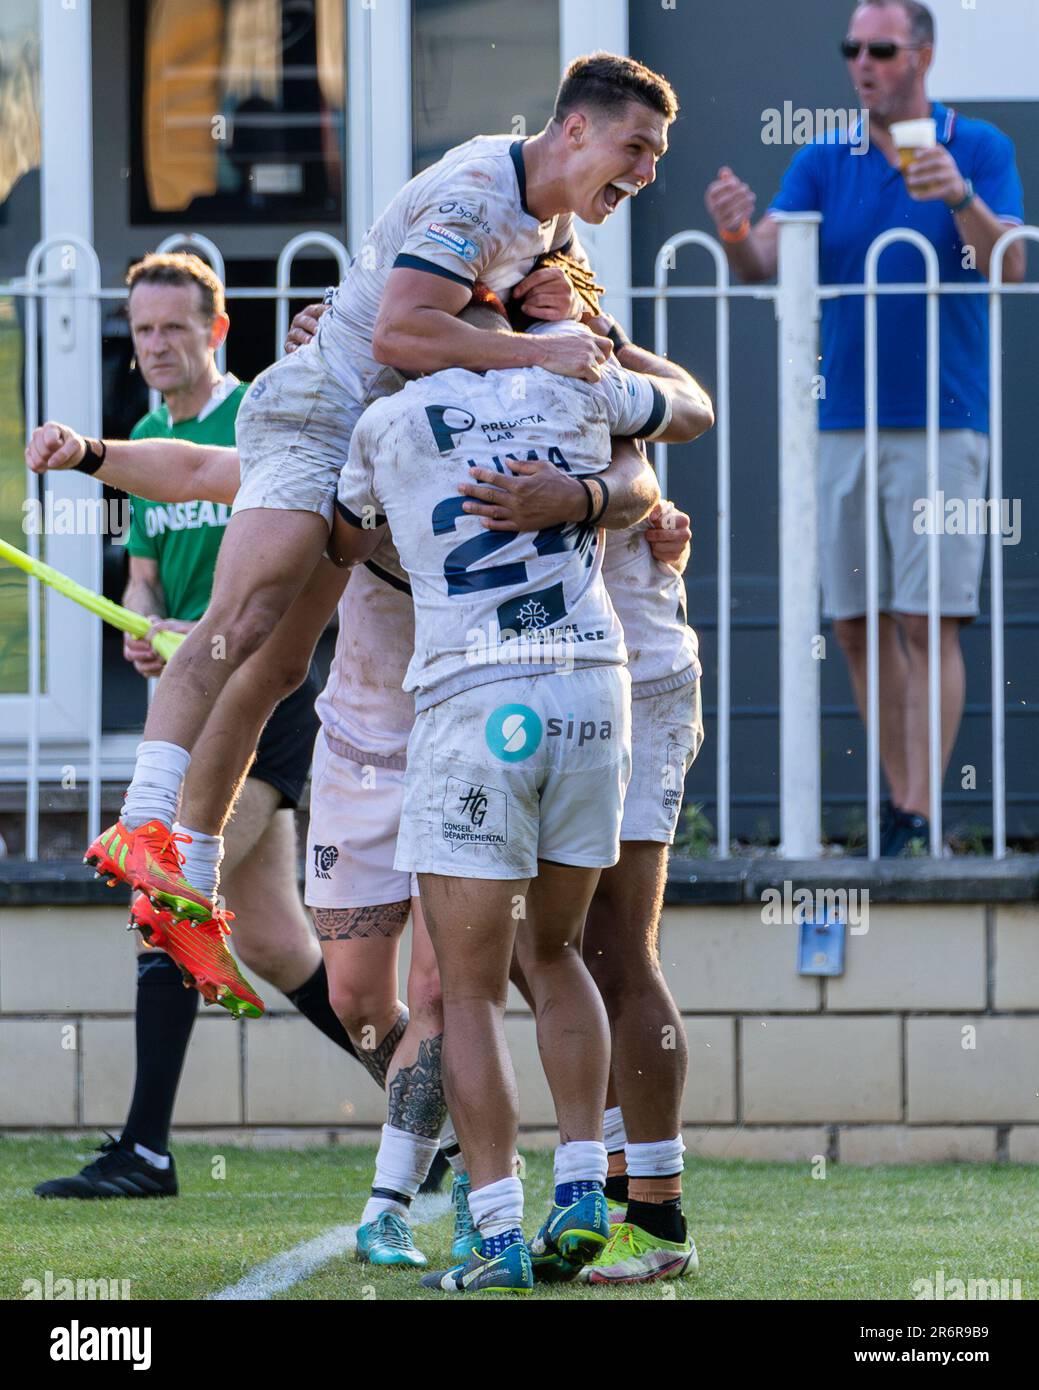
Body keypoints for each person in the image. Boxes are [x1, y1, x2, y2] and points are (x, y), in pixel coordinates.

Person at [81, 53, 679, 938]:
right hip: (315, 416)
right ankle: (142, 823)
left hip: (365, 439)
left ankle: (192, 875)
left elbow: (588, 333)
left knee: (280, 665)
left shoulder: (548, 221)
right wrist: (532, 352)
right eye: (637, 148)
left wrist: (569, 332)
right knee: (240, 621)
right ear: (575, 129)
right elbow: (402, 331)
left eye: (658, 157)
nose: (646, 173)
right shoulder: (480, 192)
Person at [330, 295, 709, 1294]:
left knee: (467, 991)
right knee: (559, 953)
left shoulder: (381, 419)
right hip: (594, 686)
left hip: (477, 695)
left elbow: (336, 537)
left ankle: (498, 1237)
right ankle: (587, 1185)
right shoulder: (568, 380)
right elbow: (685, 415)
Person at [33, 253, 358, 1201]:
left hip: (267, 705)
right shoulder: (140, 433)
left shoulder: (259, 415)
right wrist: (149, 635)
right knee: (272, 942)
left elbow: (287, 579)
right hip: (192, 701)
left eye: (175, 327)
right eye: (141, 330)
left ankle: (145, 1149)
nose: (156, 344)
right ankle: (439, 1120)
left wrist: (196, 634)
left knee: (166, 899)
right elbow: (141, 581)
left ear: (217, 333)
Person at [704, 0, 1025, 854]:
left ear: (922, 52)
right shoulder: (822, 156)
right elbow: (761, 264)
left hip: (942, 418)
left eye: (879, 48)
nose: (862, 63)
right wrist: (733, 229)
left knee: (928, 618)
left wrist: (959, 197)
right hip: (837, 418)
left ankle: (917, 810)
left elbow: (1011, 264)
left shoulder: (977, 147)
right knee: (854, 620)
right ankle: (898, 805)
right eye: (851, 48)